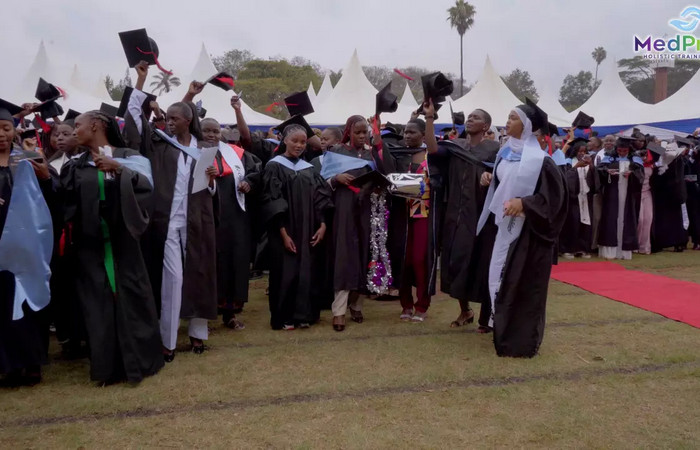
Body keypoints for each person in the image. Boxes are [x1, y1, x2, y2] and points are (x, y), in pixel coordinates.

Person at [123, 62, 218, 361]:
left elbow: (208, 191)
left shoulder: (204, 149)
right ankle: (168, 341)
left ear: (187, 121)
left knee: (199, 274)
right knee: (174, 279)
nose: (170, 122)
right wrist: (140, 81)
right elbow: (136, 126)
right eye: (169, 118)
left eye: (175, 119)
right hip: (167, 223)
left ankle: (198, 333)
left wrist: (213, 181)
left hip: (197, 222)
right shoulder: (159, 144)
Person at [61, 110, 163, 384]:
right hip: (90, 248)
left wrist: (117, 169)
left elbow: (147, 191)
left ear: (95, 125)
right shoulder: (75, 164)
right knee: (98, 306)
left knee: (131, 299)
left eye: (78, 126)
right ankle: (107, 368)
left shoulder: (131, 158)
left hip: (124, 243)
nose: (74, 131)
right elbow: (65, 204)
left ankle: (141, 361)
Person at [476, 101, 567, 358]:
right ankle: (500, 326)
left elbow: (555, 200)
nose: (508, 121)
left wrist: (525, 203)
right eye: (508, 116)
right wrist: (489, 178)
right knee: (496, 276)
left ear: (526, 126)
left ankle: (519, 339)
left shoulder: (541, 160)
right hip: (504, 228)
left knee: (519, 281)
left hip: (528, 234)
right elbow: (505, 182)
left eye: (513, 118)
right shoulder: (505, 152)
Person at [426, 107, 499, 331]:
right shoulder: (456, 146)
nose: (470, 119)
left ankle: (487, 317)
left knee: (483, 263)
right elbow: (432, 148)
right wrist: (429, 118)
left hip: (483, 216)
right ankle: (465, 309)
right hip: (456, 214)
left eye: (476, 117)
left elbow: (504, 175)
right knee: (456, 261)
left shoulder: (495, 149)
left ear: (485, 126)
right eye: (469, 116)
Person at [0, 99, 54, 387]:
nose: (1, 134)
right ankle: (8, 365)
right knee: (3, 302)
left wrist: (44, 174)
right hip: (0, 244)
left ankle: (33, 363)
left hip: (27, 242)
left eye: (6, 127)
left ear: (14, 131)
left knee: (29, 299)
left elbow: (50, 191)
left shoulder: (26, 159)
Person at [260, 124, 333, 330]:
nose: (299, 145)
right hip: (285, 229)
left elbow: (322, 199)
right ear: (284, 140)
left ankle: (305, 315)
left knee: (307, 271)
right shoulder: (274, 166)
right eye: (295, 141)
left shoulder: (308, 168)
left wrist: (323, 225)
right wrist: (283, 234)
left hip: (309, 228)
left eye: (303, 142)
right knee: (286, 272)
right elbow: (272, 201)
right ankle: (285, 317)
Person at [201, 100, 261, 329]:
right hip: (207, 218)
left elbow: (257, 171)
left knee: (234, 263)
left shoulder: (236, 153)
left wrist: (248, 182)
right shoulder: (193, 152)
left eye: (215, 131)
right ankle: (204, 314)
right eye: (206, 130)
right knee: (209, 264)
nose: (211, 134)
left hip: (236, 219)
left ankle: (231, 314)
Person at [320, 115, 382, 332]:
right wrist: (336, 179)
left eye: (365, 131)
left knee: (364, 254)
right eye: (358, 132)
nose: (362, 136)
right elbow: (321, 183)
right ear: (349, 131)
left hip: (365, 209)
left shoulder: (370, 154)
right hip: (343, 209)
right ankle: (339, 311)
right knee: (344, 256)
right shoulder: (336, 152)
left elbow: (382, 177)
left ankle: (357, 305)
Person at [381, 118, 436, 322]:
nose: (407, 135)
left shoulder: (431, 157)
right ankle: (406, 305)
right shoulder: (398, 156)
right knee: (402, 259)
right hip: (401, 215)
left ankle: (422, 304)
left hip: (422, 213)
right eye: (405, 132)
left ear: (423, 135)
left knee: (419, 260)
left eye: (412, 132)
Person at [597, 137, 644, 260]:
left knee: (626, 217)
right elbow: (600, 170)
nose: (621, 153)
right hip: (612, 193)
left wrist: (632, 174)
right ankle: (609, 250)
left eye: (624, 151)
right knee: (611, 217)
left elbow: (640, 175)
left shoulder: (635, 159)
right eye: (619, 150)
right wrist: (607, 171)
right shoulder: (609, 157)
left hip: (627, 193)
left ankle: (624, 250)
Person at [560, 141, 598, 258]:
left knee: (585, 223)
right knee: (572, 222)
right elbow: (565, 178)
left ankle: (582, 249)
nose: (582, 154)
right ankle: (568, 249)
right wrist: (576, 167)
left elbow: (594, 181)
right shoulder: (569, 163)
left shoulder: (589, 163)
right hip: (573, 198)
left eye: (584, 151)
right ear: (575, 152)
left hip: (585, 197)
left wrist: (591, 167)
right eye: (579, 151)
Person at [650, 142, 688, 253]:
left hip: (673, 193)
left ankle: (678, 242)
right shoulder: (659, 160)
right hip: (661, 194)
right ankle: (661, 242)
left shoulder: (677, 161)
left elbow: (678, 178)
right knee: (661, 219)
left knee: (676, 220)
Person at [633, 133, 654, 255]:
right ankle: (634, 245)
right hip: (636, 192)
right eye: (637, 140)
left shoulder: (650, 154)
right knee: (639, 219)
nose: (640, 142)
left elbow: (665, 153)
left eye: (642, 140)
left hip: (648, 191)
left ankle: (644, 247)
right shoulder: (631, 155)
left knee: (648, 219)